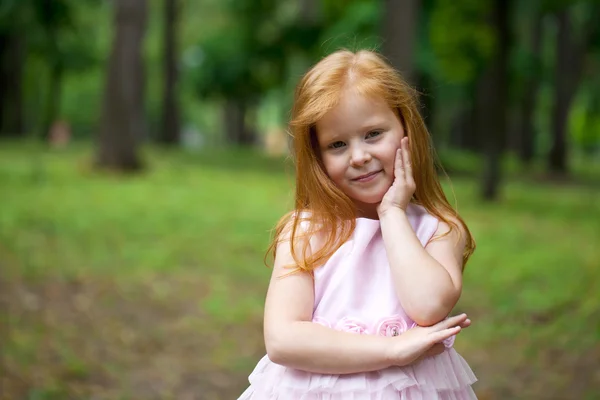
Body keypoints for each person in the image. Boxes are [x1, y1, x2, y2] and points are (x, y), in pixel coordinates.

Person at [238, 49, 478, 399]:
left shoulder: (438, 229)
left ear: (406, 129)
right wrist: (391, 351)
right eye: (337, 144)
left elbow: (428, 306)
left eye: (373, 134)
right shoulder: (306, 232)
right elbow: (282, 339)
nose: (359, 156)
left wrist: (393, 213)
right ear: (317, 156)